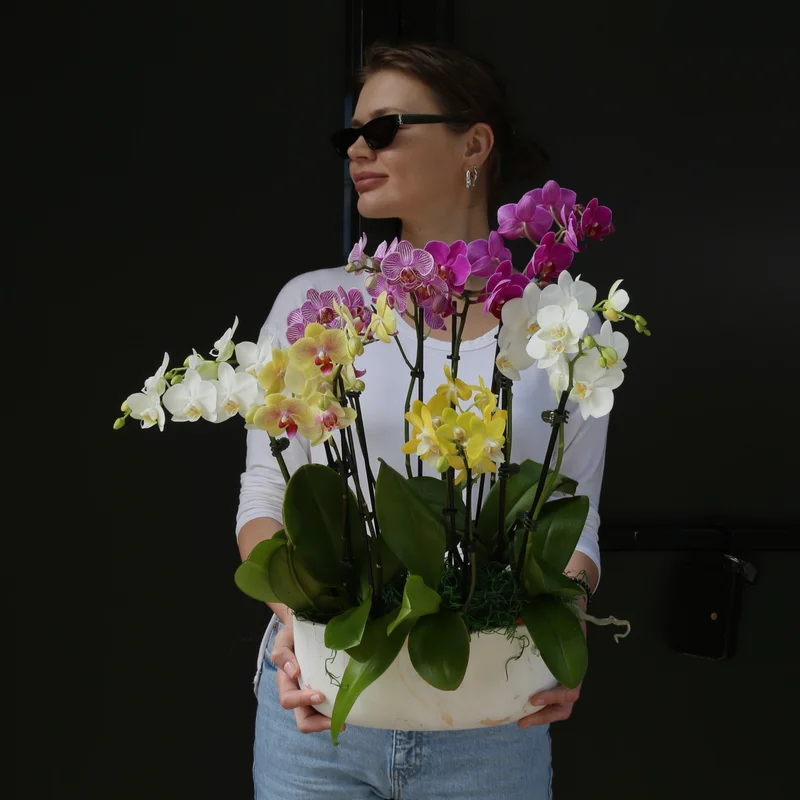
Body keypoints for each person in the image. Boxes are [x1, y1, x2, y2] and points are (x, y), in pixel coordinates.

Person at [236, 41, 606, 799]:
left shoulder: (561, 325)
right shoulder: (320, 307)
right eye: (351, 135)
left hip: (492, 715)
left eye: (384, 129)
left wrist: (561, 636)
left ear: (474, 144)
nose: (358, 151)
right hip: (323, 706)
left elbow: (575, 518)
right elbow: (265, 500)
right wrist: (296, 627)